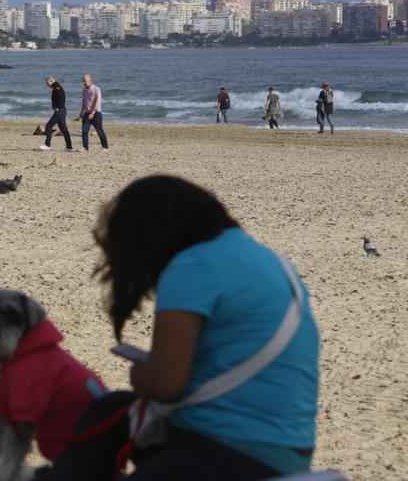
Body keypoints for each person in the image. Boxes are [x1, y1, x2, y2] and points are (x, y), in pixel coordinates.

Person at [94, 175, 319, 480]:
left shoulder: (192, 265)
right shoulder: (272, 261)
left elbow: (167, 385)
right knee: (109, 411)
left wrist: (139, 373)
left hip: (228, 451)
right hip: (292, 450)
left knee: (97, 420)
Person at [39, 76, 73, 151]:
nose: (46, 85)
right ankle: (69, 147)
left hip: (60, 111)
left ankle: (47, 145)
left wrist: (57, 107)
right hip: (62, 111)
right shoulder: (56, 86)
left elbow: (62, 97)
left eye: (47, 83)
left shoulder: (57, 87)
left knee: (48, 126)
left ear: (51, 81)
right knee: (64, 129)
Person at [77, 74, 109, 152]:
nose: (84, 83)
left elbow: (97, 102)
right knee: (84, 131)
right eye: (83, 81)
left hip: (96, 113)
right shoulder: (84, 90)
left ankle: (105, 147)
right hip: (87, 113)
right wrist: (81, 113)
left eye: (85, 81)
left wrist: (93, 113)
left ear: (90, 81)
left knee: (99, 130)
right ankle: (85, 148)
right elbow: (84, 102)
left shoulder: (96, 89)